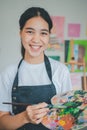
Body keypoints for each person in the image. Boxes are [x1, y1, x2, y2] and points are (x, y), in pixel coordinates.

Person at [0, 7, 72, 130]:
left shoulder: (60, 71)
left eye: (43, 33)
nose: (36, 39)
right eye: (30, 32)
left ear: (49, 35)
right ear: (20, 32)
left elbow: (69, 119)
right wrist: (25, 117)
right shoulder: (9, 73)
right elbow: (2, 124)